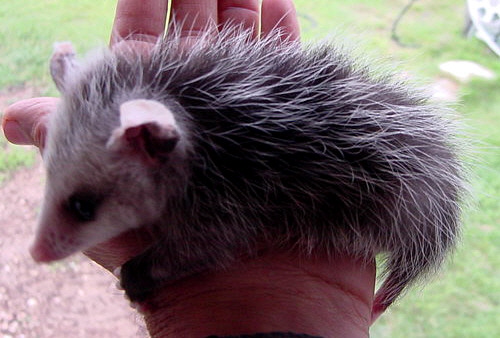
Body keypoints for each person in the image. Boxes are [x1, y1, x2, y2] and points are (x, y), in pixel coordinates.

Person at [2, 1, 375, 337]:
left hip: (375, 187)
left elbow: (212, 235)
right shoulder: (165, 149)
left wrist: (143, 274)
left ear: (149, 140)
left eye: (84, 206)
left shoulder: (202, 191)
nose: (41, 251)